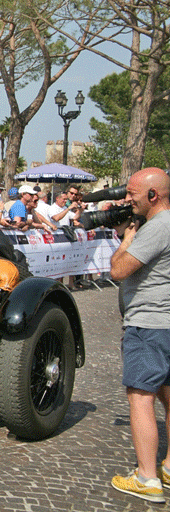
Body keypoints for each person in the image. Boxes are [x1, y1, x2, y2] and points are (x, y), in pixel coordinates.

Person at [108, 168, 170, 503]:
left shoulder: (158, 227)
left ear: (153, 195)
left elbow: (118, 270)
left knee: (141, 397)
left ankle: (147, 477)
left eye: (132, 193)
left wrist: (128, 239)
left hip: (150, 323)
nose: (127, 198)